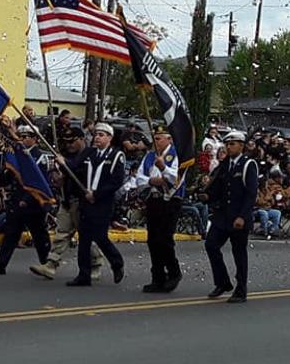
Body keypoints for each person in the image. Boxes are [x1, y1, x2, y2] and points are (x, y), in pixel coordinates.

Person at [29, 127, 104, 281]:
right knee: (61, 233)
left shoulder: (90, 154)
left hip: (81, 201)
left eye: (72, 141)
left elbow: (78, 170)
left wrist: (65, 164)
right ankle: (51, 264)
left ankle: (96, 263)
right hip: (67, 199)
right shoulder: (66, 155)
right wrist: (58, 177)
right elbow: (63, 175)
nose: (69, 145)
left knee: (86, 236)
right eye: (66, 141)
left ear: (81, 139)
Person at [0, 125, 51, 274]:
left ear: (35, 139)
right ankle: (0, 265)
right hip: (17, 200)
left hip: (33, 203)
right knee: (11, 234)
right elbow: (11, 174)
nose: (23, 139)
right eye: (21, 136)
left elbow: (39, 182)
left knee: (39, 235)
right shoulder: (19, 155)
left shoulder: (39, 158)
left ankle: (47, 264)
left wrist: (27, 199)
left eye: (27, 136)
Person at [66, 122, 125, 287]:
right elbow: (74, 168)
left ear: (110, 138)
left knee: (100, 237)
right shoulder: (88, 153)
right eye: (96, 135)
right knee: (83, 238)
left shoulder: (116, 155)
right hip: (86, 202)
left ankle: (117, 262)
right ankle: (84, 274)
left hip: (103, 203)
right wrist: (63, 162)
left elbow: (116, 181)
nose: (97, 138)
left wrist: (97, 195)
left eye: (101, 135)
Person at [203, 130, 258, 304]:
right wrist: (206, 196)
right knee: (211, 245)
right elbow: (218, 190)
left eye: (232, 144)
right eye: (227, 144)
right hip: (222, 216)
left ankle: (241, 289)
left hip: (238, 217)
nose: (228, 147)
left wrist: (242, 216)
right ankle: (222, 282)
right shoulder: (223, 165)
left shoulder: (248, 165)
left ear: (241, 146)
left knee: (239, 253)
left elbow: (251, 193)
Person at [135, 124, 185, 293]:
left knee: (165, 239)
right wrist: (152, 181)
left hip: (170, 200)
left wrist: (163, 168)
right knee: (153, 240)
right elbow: (140, 179)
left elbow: (175, 178)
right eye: (154, 139)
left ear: (169, 139)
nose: (156, 142)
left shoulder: (177, 155)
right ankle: (157, 277)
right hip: (154, 199)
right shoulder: (149, 156)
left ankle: (174, 272)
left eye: (159, 138)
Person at [254, 170, 283, 239]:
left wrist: (270, 198)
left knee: (277, 213)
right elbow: (258, 202)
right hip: (257, 210)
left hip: (267, 209)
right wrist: (267, 198)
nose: (267, 183)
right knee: (264, 213)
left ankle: (272, 230)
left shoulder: (267, 190)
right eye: (265, 182)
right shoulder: (256, 190)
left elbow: (272, 202)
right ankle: (264, 231)